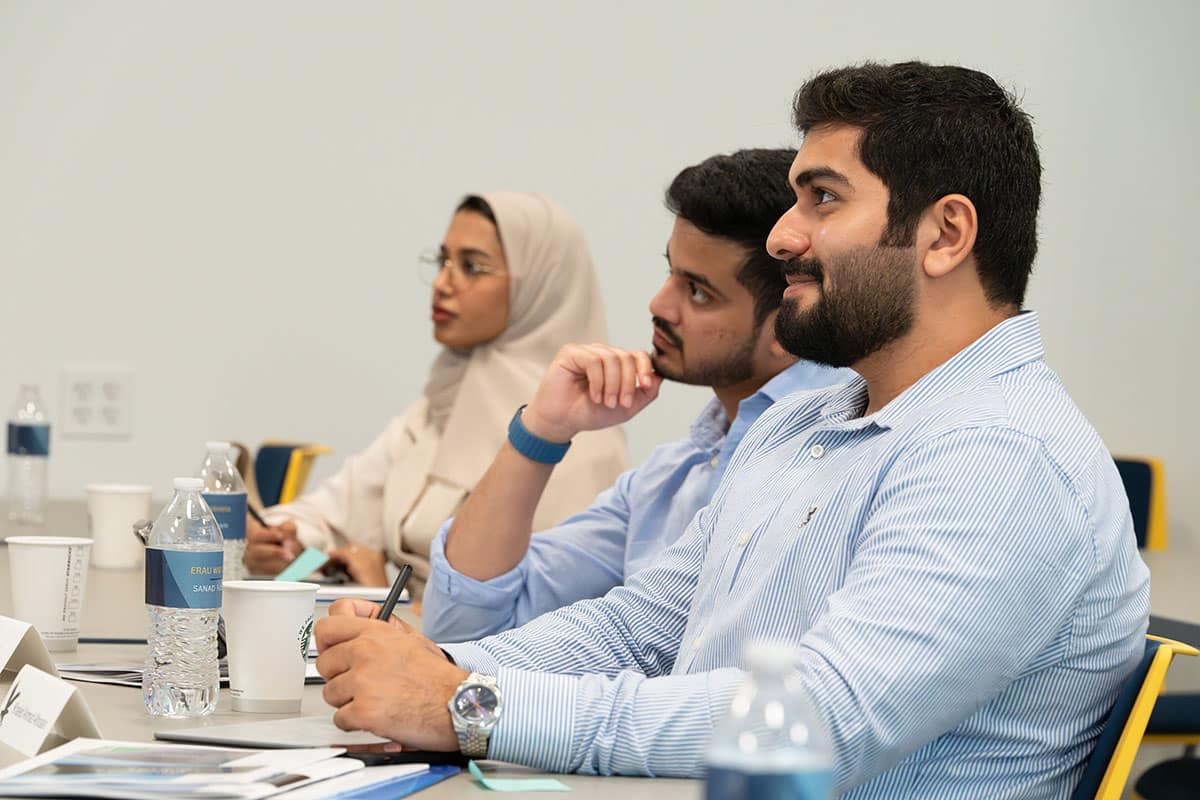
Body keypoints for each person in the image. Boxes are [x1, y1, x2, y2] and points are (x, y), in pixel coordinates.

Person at [314, 62, 1150, 799]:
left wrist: (466, 705)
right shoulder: (807, 423)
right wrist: (440, 672)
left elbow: (817, 722)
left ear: (945, 235)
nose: (784, 236)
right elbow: (641, 628)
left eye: (823, 198)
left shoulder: (1002, 455)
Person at [422, 149, 854, 642]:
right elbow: (461, 624)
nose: (658, 305)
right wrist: (541, 430)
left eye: (698, 292)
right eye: (671, 273)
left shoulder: (830, 464)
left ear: (788, 322)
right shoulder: (671, 477)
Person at [244, 193, 628, 597]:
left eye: (472, 267)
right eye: (443, 261)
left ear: (539, 287)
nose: (443, 283)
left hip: (461, 639)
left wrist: (387, 600)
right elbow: (337, 512)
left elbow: (551, 615)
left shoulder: (578, 435)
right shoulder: (440, 404)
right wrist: (283, 542)